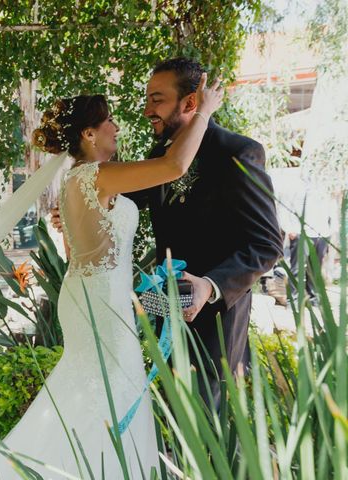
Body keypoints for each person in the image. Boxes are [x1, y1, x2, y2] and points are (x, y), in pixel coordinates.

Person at [0, 74, 224, 479]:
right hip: (101, 304)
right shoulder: (96, 175)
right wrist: (205, 111)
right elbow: (174, 165)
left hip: (91, 296)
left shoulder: (74, 181)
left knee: (92, 390)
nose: (116, 126)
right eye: (109, 120)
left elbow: (85, 255)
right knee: (111, 394)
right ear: (90, 134)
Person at [51, 57, 282, 408]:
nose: (147, 111)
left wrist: (211, 285)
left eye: (156, 100)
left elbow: (267, 244)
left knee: (207, 435)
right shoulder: (159, 155)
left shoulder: (237, 153)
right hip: (164, 314)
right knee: (168, 422)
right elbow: (116, 200)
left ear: (190, 102)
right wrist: (76, 211)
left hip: (214, 326)